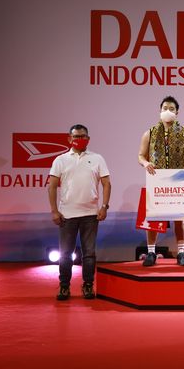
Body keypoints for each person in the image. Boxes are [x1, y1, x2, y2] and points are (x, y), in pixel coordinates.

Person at [48, 124, 111, 301]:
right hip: (66, 215)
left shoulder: (97, 158)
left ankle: (88, 285)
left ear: (88, 139)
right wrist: (54, 211)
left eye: (83, 136)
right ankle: (64, 286)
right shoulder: (60, 160)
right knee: (65, 253)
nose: (80, 139)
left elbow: (107, 184)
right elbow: (52, 186)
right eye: (76, 137)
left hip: (91, 214)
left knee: (89, 253)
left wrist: (104, 206)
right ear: (69, 139)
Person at [138, 96, 184, 267]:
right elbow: (141, 155)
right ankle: (151, 252)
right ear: (160, 110)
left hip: (178, 182)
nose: (168, 111)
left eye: (171, 108)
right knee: (154, 217)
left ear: (177, 112)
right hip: (157, 181)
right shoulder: (150, 132)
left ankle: (181, 252)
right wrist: (146, 162)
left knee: (179, 218)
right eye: (165, 108)